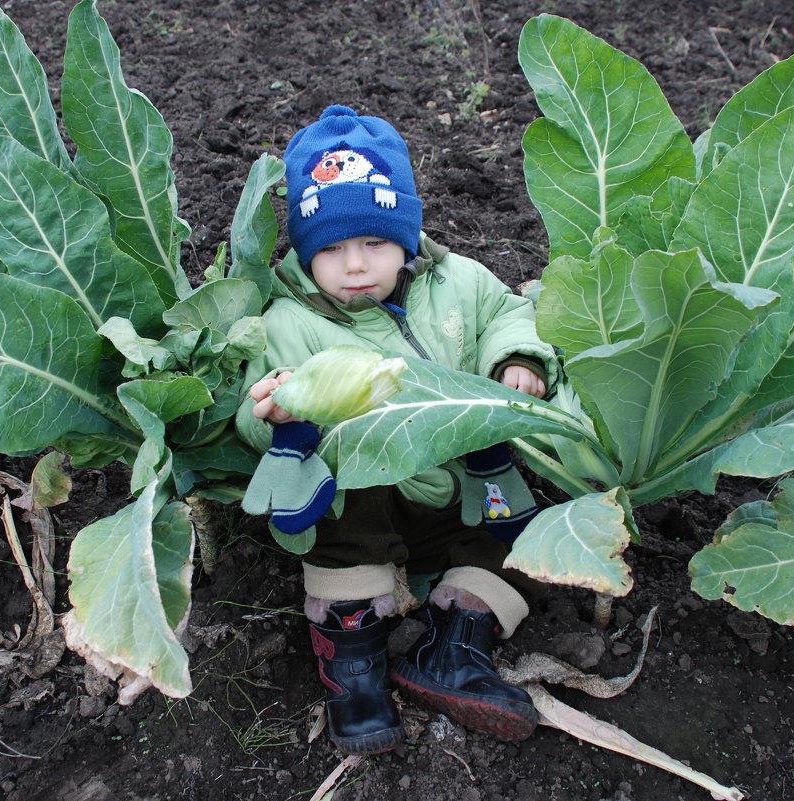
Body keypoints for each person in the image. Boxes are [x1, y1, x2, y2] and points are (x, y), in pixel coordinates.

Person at [234, 105, 559, 755]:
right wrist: (268, 410)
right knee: (340, 503)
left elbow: (507, 314)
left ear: (406, 234)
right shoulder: (286, 320)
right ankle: (352, 653)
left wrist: (516, 361)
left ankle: (458, 640)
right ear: (304, 251)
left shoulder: (458, 281)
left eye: (374, 243)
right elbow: (253, 407)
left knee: (531, 533)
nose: (355, 264)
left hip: (461, 485)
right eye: (330, 248)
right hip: (368, 502)